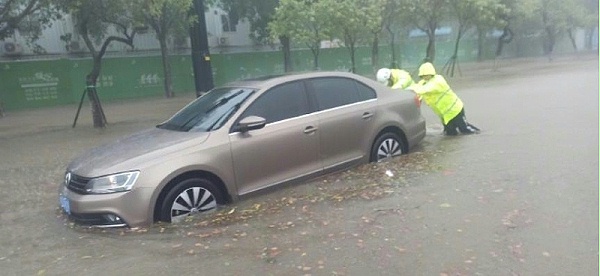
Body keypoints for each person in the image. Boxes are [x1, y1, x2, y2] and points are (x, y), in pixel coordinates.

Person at [407, 62, 480, 136]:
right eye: (423, 76)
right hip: (445, 115)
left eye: (426, 75)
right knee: (450, 133)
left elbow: (423, 89)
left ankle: (480, 135)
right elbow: (416, 88)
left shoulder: (438, 81)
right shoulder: (423, 83)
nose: (425, 77)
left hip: (455, 110)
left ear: (431, 73)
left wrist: (413, 90)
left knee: (464, 129)